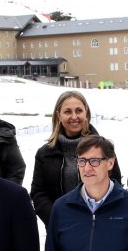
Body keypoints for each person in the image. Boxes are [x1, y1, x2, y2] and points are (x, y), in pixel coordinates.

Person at [30, 90, 121, 225]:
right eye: (67, 112)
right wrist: (57, 219)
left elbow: (115, 184)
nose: (74, 116)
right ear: (58, 115)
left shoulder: (104, 149)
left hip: (98, 225)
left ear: (86, 114)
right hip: (60, 228)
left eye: (79, 111)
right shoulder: (45, 154)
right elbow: (39, 194)